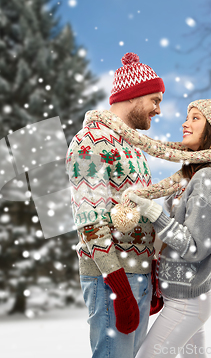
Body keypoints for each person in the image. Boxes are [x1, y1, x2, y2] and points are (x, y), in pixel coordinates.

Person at [125, 99, 211, 358]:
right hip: (186, 299)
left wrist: (155, 214)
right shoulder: (196, 173)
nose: (185, 123)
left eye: (195, 118)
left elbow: (196, 247)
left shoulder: (209, 177)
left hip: (186, 304)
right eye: (188, 117)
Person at [66, 52, 165, 358]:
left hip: (137, 275)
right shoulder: (90, 142)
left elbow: (141, 212)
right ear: (133, 97)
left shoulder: (133, 148)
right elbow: (89, 221)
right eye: (155, 100)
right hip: (111, 280)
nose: (158, 111)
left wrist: (151, 271)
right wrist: (119, 286)